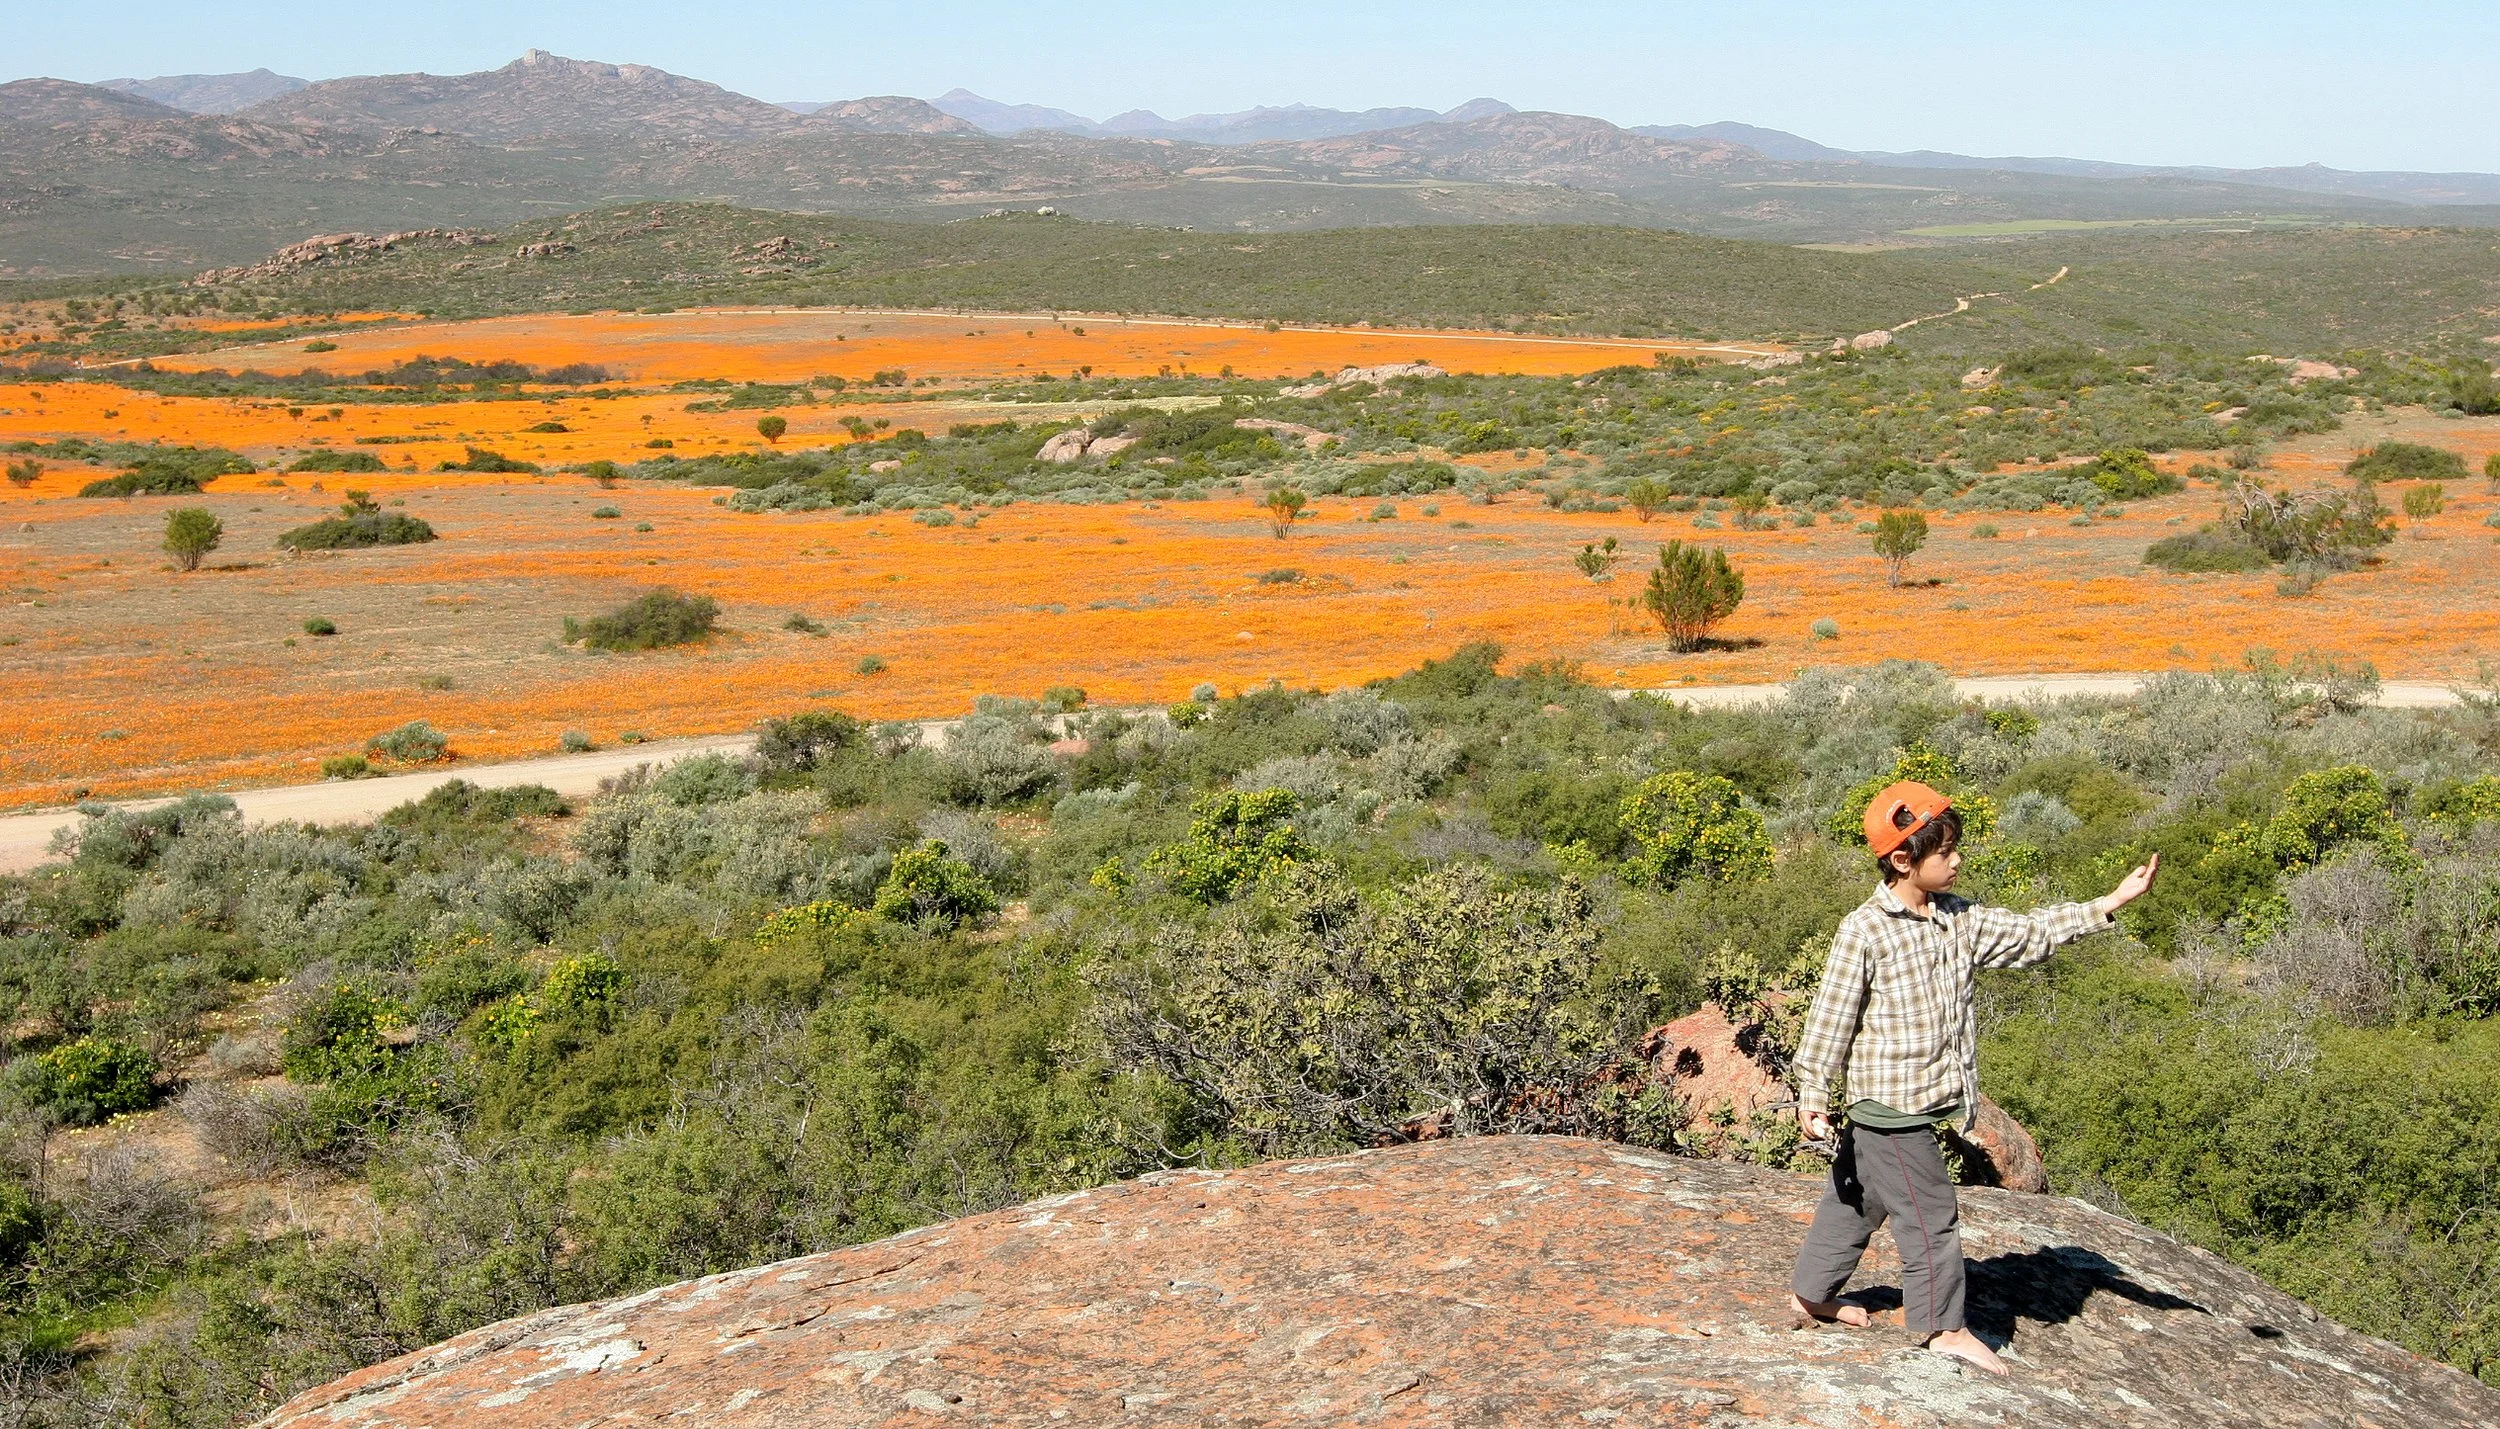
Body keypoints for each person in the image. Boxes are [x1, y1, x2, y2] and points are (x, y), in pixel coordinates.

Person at [1786, 779, 2159, 1376]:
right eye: (1946, 852)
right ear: (1903, 859)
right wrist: (1814, 1093)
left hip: (1926, 1100)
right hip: (1890, 1104)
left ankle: (1813, 1292)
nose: (1957, 860)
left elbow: (2029, 932)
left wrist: (2109, 902)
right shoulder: (1865, 929)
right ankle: (1944, 1328)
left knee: (1860, 1198)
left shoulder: (1960, 920)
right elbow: (1832, 1016)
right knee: (1931, 1212)